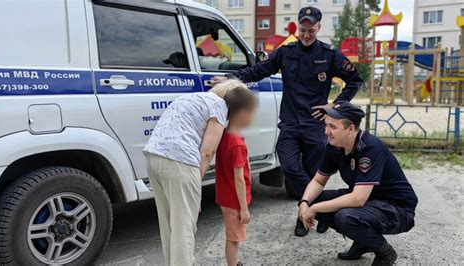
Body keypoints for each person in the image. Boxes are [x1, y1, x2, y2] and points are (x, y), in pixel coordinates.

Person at [213, 6, 362, 237]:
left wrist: (335, 105)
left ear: (318, 28)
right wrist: (232, 78)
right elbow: (260, 70)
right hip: (290, 123)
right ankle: (322, 210)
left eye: (310, 30)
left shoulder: (329, 55)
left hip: (314, 124)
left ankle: (303, 218)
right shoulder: (286, 52)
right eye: (302, 30)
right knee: (290, 167)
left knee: (314, 173)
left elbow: (354, 80)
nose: (306, 35)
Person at [298, 102, 418, 266]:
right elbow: (318, 181)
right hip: (370, 202)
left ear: (351, 128)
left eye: (333, 127)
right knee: (314, 198)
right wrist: (305, 203)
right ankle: (363, 241)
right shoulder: (334, 147)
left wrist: (314, 209)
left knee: (346, 217)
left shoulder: (370, 148)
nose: (327, 132)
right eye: (326, 125)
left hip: (397, 208)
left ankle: (385, 253)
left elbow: (357, 200)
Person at [143, 79, 249, 266]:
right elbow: (207, 152)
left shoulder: (190, 97)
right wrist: (195, 187)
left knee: (169, 225)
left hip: (153, 157)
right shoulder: (219, 106)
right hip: (180, 161)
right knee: (183, 227)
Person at [215, 88, 258, 266]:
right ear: (242, 113)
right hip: (234, 201)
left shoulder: (224, 135)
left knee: (232, 235)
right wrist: (244, 208)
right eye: (252, 113)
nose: (253, 118)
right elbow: (239, 179)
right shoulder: (237, 145)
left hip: (225, 196)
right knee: (233, 238)